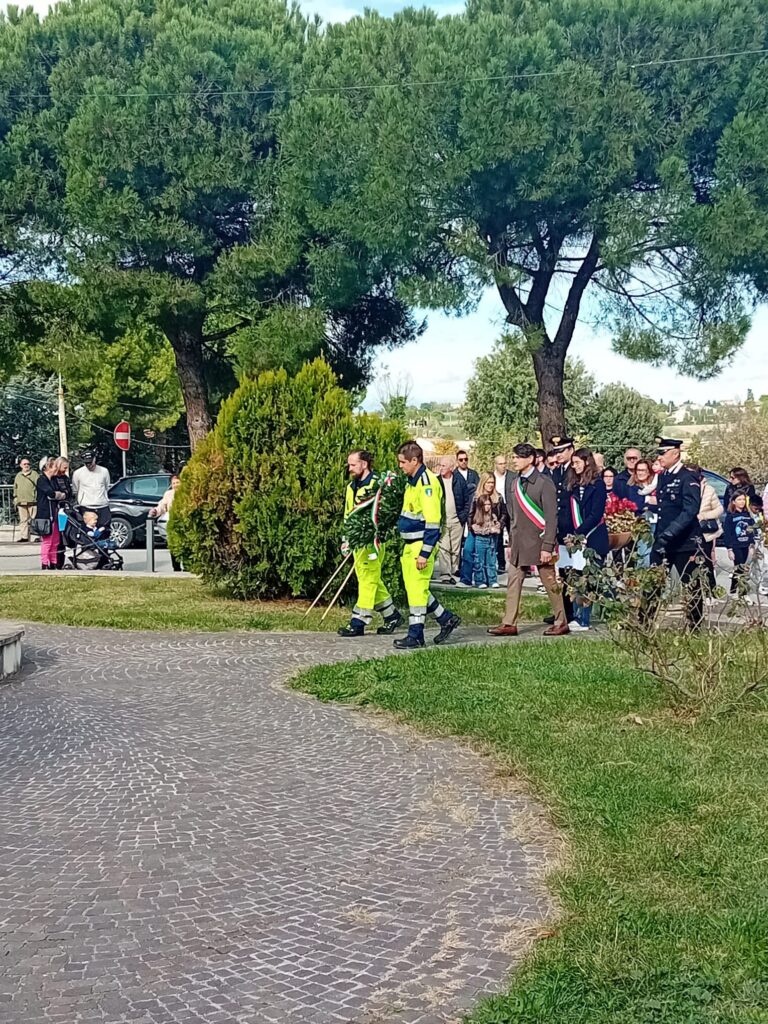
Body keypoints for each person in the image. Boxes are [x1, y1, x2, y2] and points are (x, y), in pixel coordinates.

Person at [487, 443, 568, 637]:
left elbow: (551, 517)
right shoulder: (514, 482)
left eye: (517, 457)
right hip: (518, 542)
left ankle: (561, 621)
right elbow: (513, 516)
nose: (514, 460)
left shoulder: (543, 482)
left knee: (549, 583)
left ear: (530, 458)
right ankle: (509, 623)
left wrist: (548, 546)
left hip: (540, 543)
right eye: (513, 457)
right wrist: (510, 541)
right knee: (513, 581)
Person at [394, 441, 460, 649]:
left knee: (417, 593)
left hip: (420, 545)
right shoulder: (411, 481)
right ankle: (446, 618)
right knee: (417, 589)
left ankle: (416, 635)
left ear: (415, 460)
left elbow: (433, 522)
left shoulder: (427, 483)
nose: (400, 466)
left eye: (403, 462)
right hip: (410, 545)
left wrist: (424, 553)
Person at [337, 451, 403, 638]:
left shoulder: (379, 484)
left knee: (367, 580)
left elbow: (385, 513)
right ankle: (392, 616)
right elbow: (348, 514)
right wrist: (346, 538)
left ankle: (359, 621)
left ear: (364, 464)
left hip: (373, 542)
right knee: (371, 579)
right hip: (357, 541)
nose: (349, 469)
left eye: (353, 465)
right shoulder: (351, 487)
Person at [650, 438, 705, 629]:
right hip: (663, 541)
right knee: (652, 582)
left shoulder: (687, 477)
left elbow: (690, 510)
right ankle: (644, 623)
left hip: (684, 542)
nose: (659, 457)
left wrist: (671, 531)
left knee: (691, 585)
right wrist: (660, 536)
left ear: (675, 453)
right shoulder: (663, 476)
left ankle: (695, 626)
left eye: (663, 453)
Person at [564, 448, 609, 631]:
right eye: (573, 463)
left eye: (577, 463)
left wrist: (579, 532)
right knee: (576, 577)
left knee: (588, 578)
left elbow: (596, 513)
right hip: (576, 538)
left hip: (593, 536)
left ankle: (585, 618)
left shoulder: (597, 484)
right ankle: (575, 615)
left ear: (586, 462)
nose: (574, 467)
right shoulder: (574, 485)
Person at [548, 435, 576, 624]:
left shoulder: (575, 472)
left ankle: (576, 611)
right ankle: (564, 611)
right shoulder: (557, 472)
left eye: (561, 451)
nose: (558, 455)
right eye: (556, 451)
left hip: (572, 528)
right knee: (564, 572)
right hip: (560, 528)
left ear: (571, 450)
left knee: (576, 572)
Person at [685, 462, 723, 593]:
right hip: (686, 531)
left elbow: (719, 509)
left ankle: (711, 591)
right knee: (688, 563)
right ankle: (692, 592)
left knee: (706, 562)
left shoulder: (709, 490)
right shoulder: (682, 488)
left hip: (703, 531)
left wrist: (704, 515)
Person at [435, 455, 470, 583]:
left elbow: (467, 500)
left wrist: (463, 516)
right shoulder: (436, 481)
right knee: (444, 547)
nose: (441, 468)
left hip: (457, 520)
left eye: (443, 466)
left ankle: (454, 571)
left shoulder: (459, 481)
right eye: (440, 465)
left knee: (455, 548)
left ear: (451, 467)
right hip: (442, 521)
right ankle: (445, 574)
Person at [467, 473, 504, 589]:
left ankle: (492, 579)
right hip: (478, 534)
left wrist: (499, 526)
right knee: (475, 556)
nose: (490, 485)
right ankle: (475, 579)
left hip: (492, 535)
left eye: (492, 482)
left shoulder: (498, 497)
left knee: (491, 559)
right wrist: (472, 527)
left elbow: (503, 514)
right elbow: (471, 515)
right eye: (488, 482)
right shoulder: (476, 497)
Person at [35, 457, 67, 569]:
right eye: (53, 466)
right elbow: (51, 494)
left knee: (56, 541)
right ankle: (45, 563)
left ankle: (53, 562)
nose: (55, 468)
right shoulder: (41, 480)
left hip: (56, 513)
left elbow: (63, 493)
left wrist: (58, 494)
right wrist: (57, 494)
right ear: (47, 467)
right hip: (46, 515)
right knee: (47, 541)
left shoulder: (53, 480)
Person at [148, 473, 184, 573]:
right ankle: (176, 568)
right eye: (174, 483)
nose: (176, 485)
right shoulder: (168, 494)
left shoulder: (186, 493)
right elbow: (162, 506)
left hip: (184, 523)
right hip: (171, 523)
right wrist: (155, 511)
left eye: (177, 482)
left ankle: (187, 567)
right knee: (173, 546)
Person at [723, 489, 755, 595]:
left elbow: (751, 530)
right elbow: (727, 534)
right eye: (739, 499)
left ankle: (736, 591)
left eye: (743, 499)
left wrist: (752, 544)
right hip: (736, 546)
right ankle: (740, 593)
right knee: (740, 568)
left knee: (743, 569)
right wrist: (729, 549)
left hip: (746, 545)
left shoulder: (747, 515)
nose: (741, 502)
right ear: (733, 502)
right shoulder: (730, 516)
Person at [71, 451, 112, 530]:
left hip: (102, 506)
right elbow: (75, 489)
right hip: (86, 507)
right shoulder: (77, 473)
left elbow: (107, 486)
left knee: (105, 531)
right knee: (87, 533)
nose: (89, 465)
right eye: (86, 463)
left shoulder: (104, 471)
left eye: (90, 462)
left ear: (94, 459)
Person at [13, 458, 39, 542]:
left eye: (28, 464)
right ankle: (24, 537)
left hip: (32, 501)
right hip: (21, 501)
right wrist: (15, 497)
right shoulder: (18, 475)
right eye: (24, 464)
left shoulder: (34, 474)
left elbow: (39, 487)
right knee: (23, 520)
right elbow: (15, 487)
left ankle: (36, 536)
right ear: (21, 465)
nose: (26, 465)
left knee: (34, 519)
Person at [493, 454, 509, 573]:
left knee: (515, 536)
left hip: (511, 509)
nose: (503, 466)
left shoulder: (512, 476)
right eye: (500, 464)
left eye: (504, 463)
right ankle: (501, 564)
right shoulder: (492, 477)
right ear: (496, 465)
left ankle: (524, 566)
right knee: (498, 539)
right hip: (498, 511)